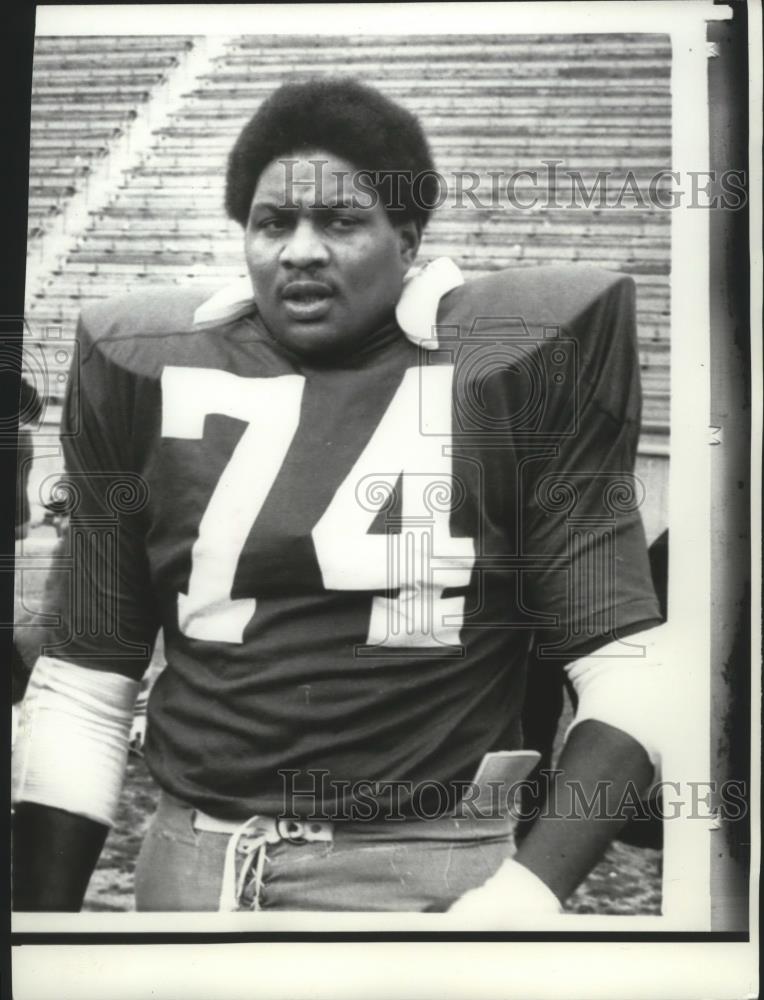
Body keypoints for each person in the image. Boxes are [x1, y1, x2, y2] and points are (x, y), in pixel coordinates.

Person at [12, 78, 667, 919]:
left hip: (422, 867)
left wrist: (527, 895)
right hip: (189, 864)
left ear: (409, 236)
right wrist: (39, 930)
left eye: (342, 221)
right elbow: (87, 684)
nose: (301, 250)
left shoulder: (517, 364)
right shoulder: (140, 364)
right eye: (273, 222)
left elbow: (630, 673)